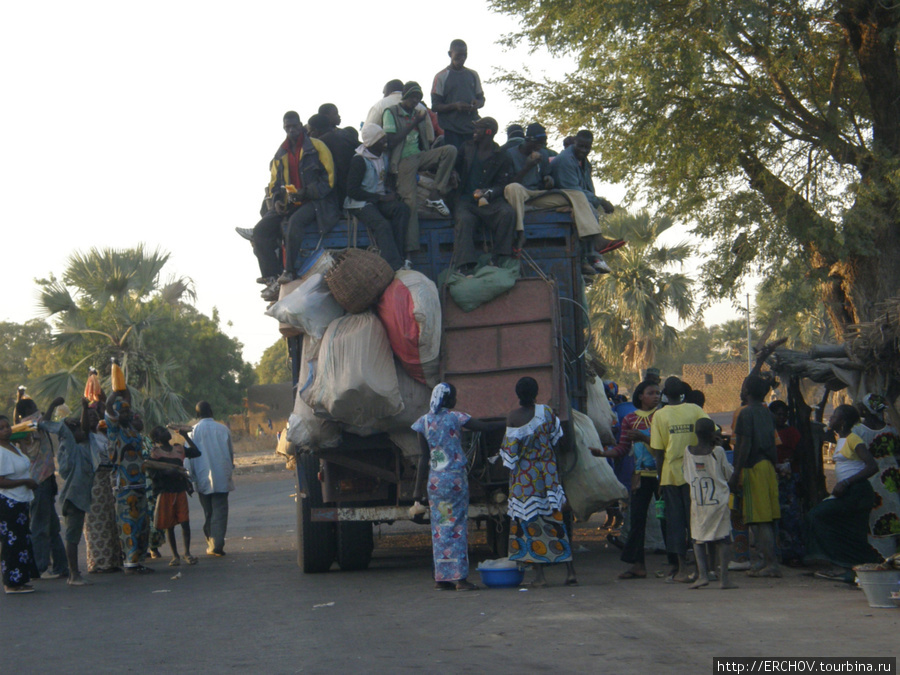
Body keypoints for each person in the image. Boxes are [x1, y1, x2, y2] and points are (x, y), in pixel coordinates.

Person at [411, 383, 504, 591]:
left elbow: (423, 457)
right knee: (457, 528)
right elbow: (486, 428)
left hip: (436, 483)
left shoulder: (423, 422)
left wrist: (417, 491)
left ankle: (441, 578)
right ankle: (460, 579)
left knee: (441, 527)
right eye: (454, 397)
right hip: (454, 482)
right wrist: (509, 422)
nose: (455, 400)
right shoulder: (456, 418)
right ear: (448, 400)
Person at [237, 111, 338, 301]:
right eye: (287, 127)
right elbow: (274, 184)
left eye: (294, 126)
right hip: (290, 202)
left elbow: (329, 181)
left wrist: (305, 192)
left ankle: (289, 271)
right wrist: (276, 201)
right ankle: (272, 277)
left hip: (317, 202)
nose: (291, 130)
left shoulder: (317, 147)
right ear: (284, 128)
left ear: (300, 126)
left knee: (294, 224)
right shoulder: (280, 153)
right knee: (260, 230)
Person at [500, 377, 577, 587]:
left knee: (531, 524)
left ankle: (540, 576)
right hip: (549, 475)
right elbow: (557, 440)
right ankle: (570, 572)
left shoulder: (513, 417)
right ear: (536, 392)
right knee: (555, 520)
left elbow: (510, 455)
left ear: (517, 394)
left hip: (525, 479)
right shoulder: (547, 412)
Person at [806, 404, 882, 582]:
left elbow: (872, 466)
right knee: (850, 532)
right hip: (850, 493)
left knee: (817, 516)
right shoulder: (840, 439)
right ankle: (854, 568)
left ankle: (842, 565)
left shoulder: (853, 439)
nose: (830, 419)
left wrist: (847, 482)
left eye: (834, 417)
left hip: (856, 492)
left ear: (843, 422)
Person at [595, 380, 660, 579]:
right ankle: (638, 565)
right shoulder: (630, 419)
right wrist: (604, 454)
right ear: (640, 396)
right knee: (637, 521)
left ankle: (677, 564)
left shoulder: (662, 416)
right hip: (641, 476)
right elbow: (623, 448)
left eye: (658, 393)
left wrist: (643, 438)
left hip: (664, 475)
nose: (656, 396)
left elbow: (666, 445)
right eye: (652, 392)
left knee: (668, 519)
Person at [383, 81, 458, 252]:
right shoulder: (392, 112)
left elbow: (429, 140)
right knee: (411, 202)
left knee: (450, 151)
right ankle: (411, 249)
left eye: (418, 98)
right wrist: (413, 123)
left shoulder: (420, 113)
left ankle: (435, 193)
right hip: (402, 160)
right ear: (405, 96)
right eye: (413, 97)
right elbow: (391, 141)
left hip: (419, 155)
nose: (415, 101)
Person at [650, 376, 709, 582]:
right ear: (683, 393)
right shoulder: (694, 409)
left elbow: (658, 452)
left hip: (671, 475)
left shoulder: (660, 415)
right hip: (696, 474)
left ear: (665, 394)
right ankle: (704, 569)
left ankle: (682, 570)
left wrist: (659, 480)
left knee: (675, 523)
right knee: (697, 521)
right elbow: (712, 432)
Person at [728, 374, 781, 578]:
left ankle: (770, 563)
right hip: (767, 467)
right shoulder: (766, 413)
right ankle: (763, 560)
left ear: (746, 392)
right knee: (763, 518)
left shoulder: (745, 414)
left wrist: (736, 473)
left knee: (760, 520)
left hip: (753, 468)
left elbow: (743, 446)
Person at [549, 129, 624, 274]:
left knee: (588, 206)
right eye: (581, 146)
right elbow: (574, 190)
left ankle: (593, 256)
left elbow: (588, 188)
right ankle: (593, 254)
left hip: (575, 197)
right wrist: (600, 201)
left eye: (587, 148)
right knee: (586, 207)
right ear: (575, 141)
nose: (583, 150)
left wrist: (598, 201)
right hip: (561, 196)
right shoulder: (565, 160)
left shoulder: (584, 162)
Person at [452, 117, 517, 272]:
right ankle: (466, 265)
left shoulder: (502, 156)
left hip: (489, 202)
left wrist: (488, 193)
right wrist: (453, 173)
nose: (474, 132)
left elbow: (502, 185)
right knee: (464, 219)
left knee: (507, 213)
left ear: (488, 132)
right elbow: (455, 165)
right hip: (466, 200)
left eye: (478, 129)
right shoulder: (466, 148)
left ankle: (499, 257)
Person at [344, 123, 411, 271]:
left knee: (402, 210)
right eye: (381, 140)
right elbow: (352, 191)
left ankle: (399, 256)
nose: (385, 142)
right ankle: (392, 266)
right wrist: (380, 198)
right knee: (382, 225)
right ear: (372, 144)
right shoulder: (360, 160)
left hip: (379, 198)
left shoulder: (383, 156)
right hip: (361, 203)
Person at [44, 400, 95, 586]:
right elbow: (46, 423)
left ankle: (75, 573)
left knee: (74, 536)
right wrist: (53, 406)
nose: (84, 432)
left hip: (77, 498)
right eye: (79, 430)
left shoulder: (82, 447)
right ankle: (74, 574)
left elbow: (87, 430)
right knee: (72, 537)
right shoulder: (71, 448)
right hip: (73, 498)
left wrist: (83, 409)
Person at [19, 395, 69, 580]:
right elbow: (43, 421)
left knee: (50, 526)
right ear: (27, 410)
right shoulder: (28, 424)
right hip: (40, 479)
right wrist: (53, 404)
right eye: (33, 405)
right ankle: (39, 566)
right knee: (41, 527)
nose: (36, 407)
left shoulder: (27, 425)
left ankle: (59, 566)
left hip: (43, 478)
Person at [683, 418, 737, 590]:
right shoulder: (718, 451)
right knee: (724, 539)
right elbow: (728, 474)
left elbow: (686, 475)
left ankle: (702, 575)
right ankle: (724, 579)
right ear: (713, 434)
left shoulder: (688, 451)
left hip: (698, 502)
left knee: (698, 538)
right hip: (718, 501)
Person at [105, 389, 153, 574]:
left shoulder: (131, 429)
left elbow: (128, 402)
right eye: (122, 411)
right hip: (124, 484)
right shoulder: (114, 429)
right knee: (129, 521)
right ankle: (130, 563)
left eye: (128, 411)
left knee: (142, 522)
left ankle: (139, 559)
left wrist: (124, 391)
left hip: (139, 482)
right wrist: (114, 392)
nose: (127, 414)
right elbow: (109, 406)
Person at [851, 394, 900, 561]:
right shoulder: (892, 430)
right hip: (892, 480)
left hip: (871, 480)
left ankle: (878, 560)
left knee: (873, 521)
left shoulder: (858, 431)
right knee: (893, 516)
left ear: (865, 409)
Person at [146, 426, 201, 567]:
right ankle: (176, 555)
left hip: (179, 490)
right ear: (157, 439)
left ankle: (186, 553)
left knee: (185, 522)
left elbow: (196, 452)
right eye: (162, 432)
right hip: (166, 491)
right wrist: (169, 472)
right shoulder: (155, 453)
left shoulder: (178, 449)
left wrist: (186, 437)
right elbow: (153, 474)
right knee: (169, 525)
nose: (166, 432)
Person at [186, 401, 234, 557]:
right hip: (221, 476)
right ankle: (217, 544)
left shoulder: (192, 432)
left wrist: (190, 477)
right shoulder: (223, 429)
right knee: (219, 511)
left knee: (208, 511)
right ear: (211, 412)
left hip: (202, 477)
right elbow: (230, 453)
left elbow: (188, 458)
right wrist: (229, 470)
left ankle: (212, 541)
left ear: (197, 414)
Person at [0, 414, 40, 594]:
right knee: (11, 542)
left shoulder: (12, 447)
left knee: (22, 541)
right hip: (9, 501)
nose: (6, 430)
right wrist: (24, 482)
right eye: (1, 428)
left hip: (21, 500)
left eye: (7, 426)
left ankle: (21, 579)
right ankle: (11, 582)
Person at [84, 406, 122, 573]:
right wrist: (85, 408)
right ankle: (98, 562)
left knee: (108, 519)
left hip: (107, 480)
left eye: (95, 415)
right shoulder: (86, 436)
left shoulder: (101, 434)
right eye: (88, 416)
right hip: (94, 481)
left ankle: (111, 560)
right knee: (95, 522)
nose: (92, 418)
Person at [431, 39, 485, 150]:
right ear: (450, 54)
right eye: (458, 55)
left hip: (471, 128)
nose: (462, 58)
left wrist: (477, 103)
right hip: (450, 129)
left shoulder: (473, 74)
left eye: (465, 55)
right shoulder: (441, 76)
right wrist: (455, 106)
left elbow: (481, 99)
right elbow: (435, 106)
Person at [769, 399, 805, 565]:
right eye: (779, 414)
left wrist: (788, 464)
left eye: (784, 415)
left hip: (788, 476)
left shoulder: (791, 432)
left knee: (790, 517)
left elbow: (799, 453)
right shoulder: (769, 431)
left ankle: (793, 554)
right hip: (772, 476)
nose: (782, 417)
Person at [308, 112, 357, 209]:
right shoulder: (344, 135)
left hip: (340, 192)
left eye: (309, 132)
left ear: (315, 131)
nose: (308, 135)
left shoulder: (322, 144)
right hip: (354, 185)